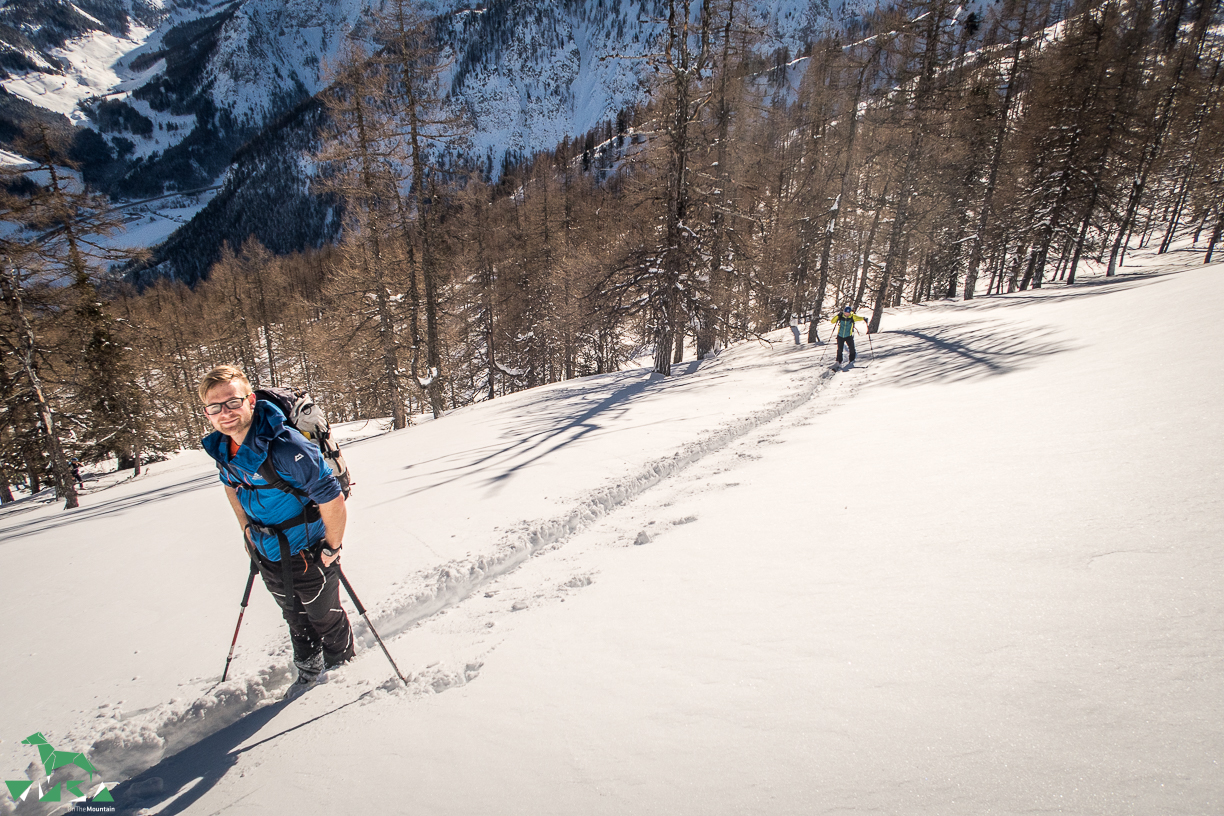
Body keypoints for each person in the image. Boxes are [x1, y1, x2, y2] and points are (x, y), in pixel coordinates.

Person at [199, 365, 354, 686]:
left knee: (324, 617)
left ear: (250, 401)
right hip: (267, 552)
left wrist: (332, 548)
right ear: (207, 413)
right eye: (215, 407)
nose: (224, 413)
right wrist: (245, 531)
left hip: (309, 552)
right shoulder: (222, 446)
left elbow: (332, 499)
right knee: (294, 618)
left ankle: (343, 674)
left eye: (232, 402)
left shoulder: (287, 446)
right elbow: (231, 486)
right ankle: (308, 675)